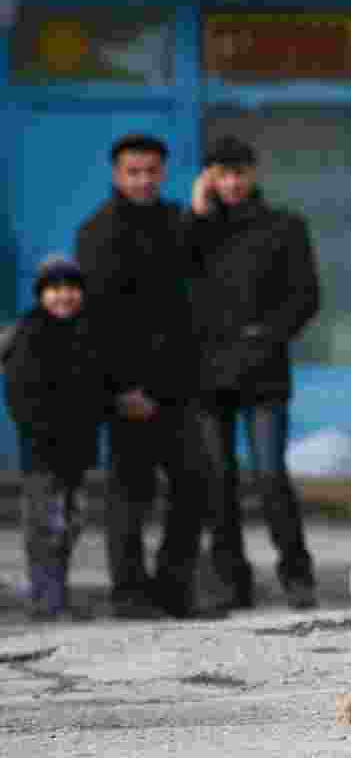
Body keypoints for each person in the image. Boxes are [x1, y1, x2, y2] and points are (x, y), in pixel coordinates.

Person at [186, 135, 320, 611]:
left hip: (263, 373)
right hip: (207, 376)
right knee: (217, 479)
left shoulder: (284, 227)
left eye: (239, 172)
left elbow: (306, 297)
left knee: (268, 475)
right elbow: (175, 281)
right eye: (222, 174)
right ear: (209, 178)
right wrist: (198, 213)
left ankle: (297, 574)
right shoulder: (195, 231)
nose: (232, 183)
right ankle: (230, 580)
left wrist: (265, 336)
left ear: (253, 173)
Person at [76, 134, 204, 619]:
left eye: (151, 170)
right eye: (134, 171)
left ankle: (173, 589)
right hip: (129, 388)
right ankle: (129, 593)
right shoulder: (99, 232)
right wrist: (122, 387)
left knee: (193, 486)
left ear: (163, 172)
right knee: (131, 494)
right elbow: (100, 321)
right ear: (117, 174)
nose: (143, 179)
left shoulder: (174, 221)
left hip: (179, 384)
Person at [2, 258, 112, 621]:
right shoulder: (30, 334)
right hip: (42, 453)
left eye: (71, 287)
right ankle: (46, 600)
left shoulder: (88, 331)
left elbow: (96, 387)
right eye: (54, 288)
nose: (63, 295)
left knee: (69, 524)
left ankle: (57, 594)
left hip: (76, 452)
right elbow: (21, 398)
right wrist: (43, 432)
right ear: (41, 295)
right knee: (44, 526)